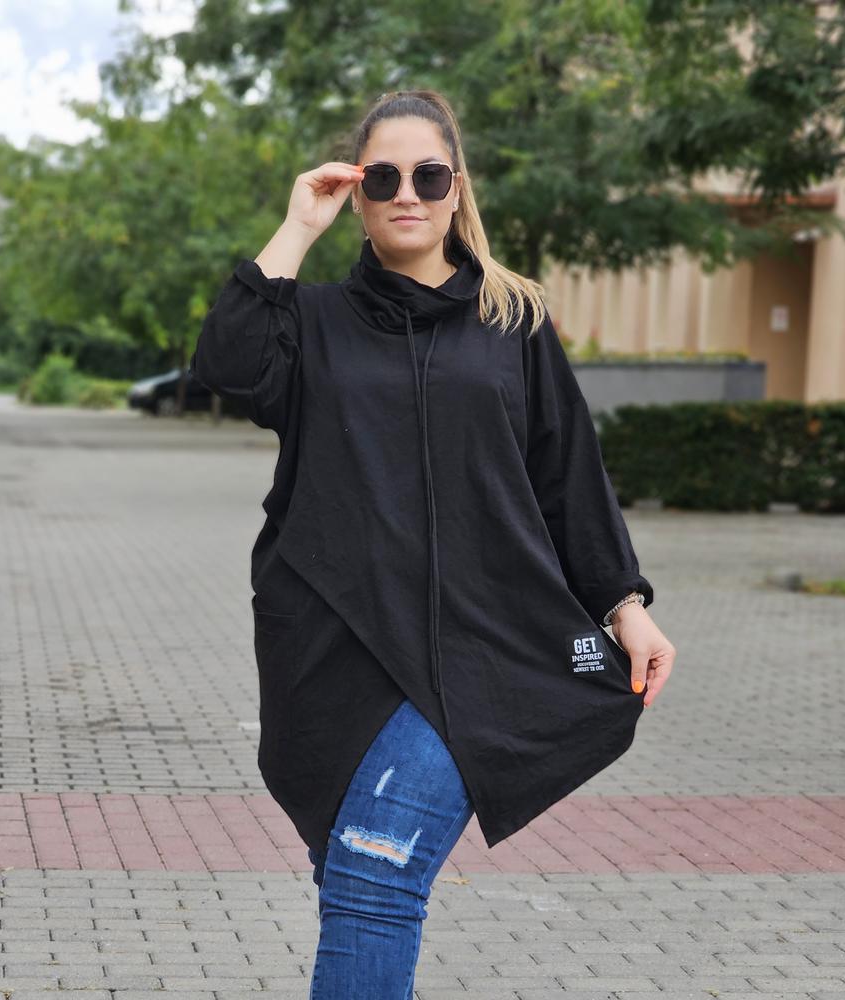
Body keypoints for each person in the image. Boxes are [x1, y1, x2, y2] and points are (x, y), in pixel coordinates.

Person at [191, 89, 676, 999]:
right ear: (357, 195)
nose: (406, 193)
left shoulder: (513, 320)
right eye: (381, 178)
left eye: (427, 175)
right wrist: (297, 228)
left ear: (457, 189)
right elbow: (226, 365)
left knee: (375, 877)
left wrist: (624, 603)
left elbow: (567, 473)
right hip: (333, 650)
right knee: (350, 879)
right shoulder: (314, 320)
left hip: (482, 651)